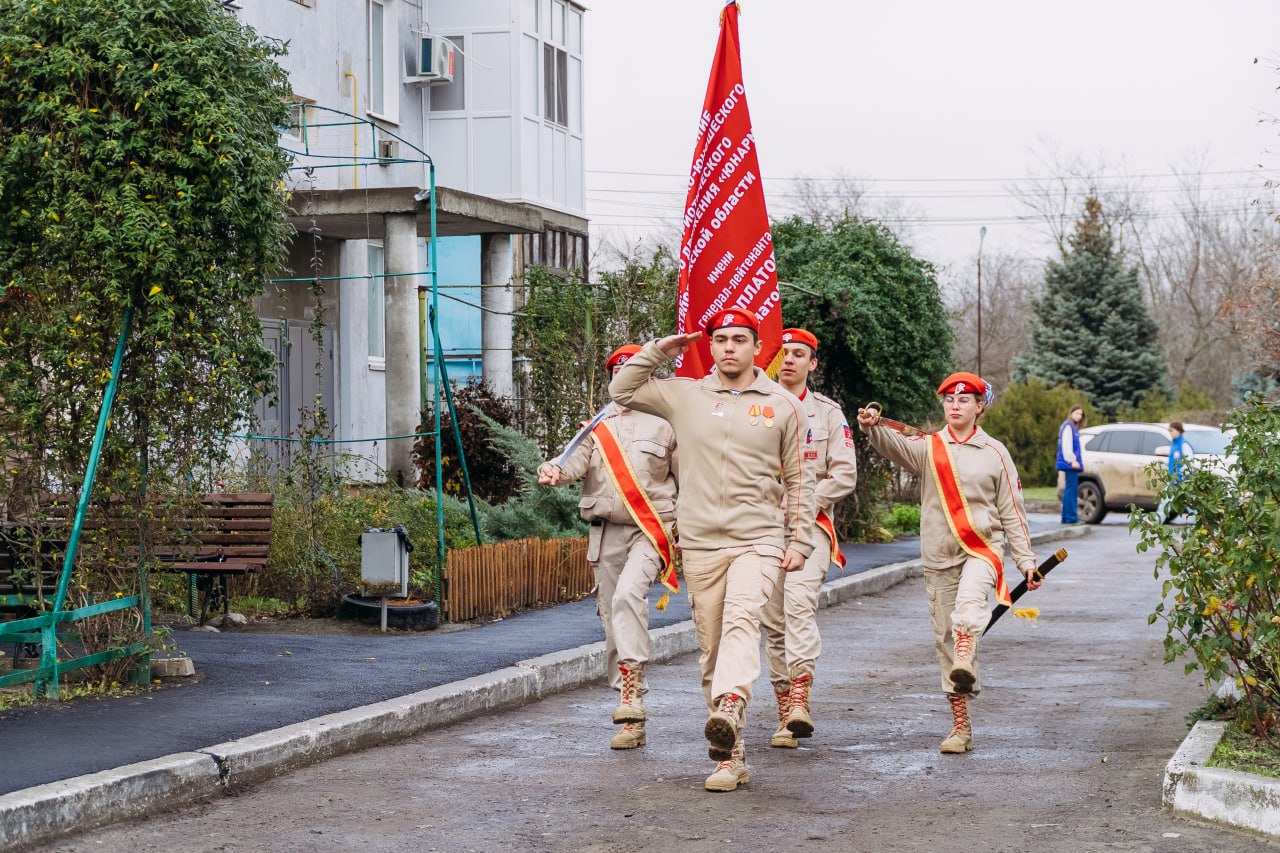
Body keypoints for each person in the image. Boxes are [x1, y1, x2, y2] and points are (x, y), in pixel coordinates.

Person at [609, 311, 815, 793]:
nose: (728, 348)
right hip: (701, 542)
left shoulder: (784, 405)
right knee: (713, 651)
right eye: (720, 339)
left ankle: (731, 701)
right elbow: (622, 390)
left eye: (739, 340)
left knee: (743, 619)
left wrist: (800, 539)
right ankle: (730, 757)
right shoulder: (685, 395)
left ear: (757, 347)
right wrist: (660, 350)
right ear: (711, 346)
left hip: (758, 538)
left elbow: (800, 480)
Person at [857, 372, 1040, 755]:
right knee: (945, 640)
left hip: (982, 549)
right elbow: (895, 447)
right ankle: (961, 725)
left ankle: (965, 653)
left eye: (964, 399)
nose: (955, 405)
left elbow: (1013, 510)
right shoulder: (930, 447)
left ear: (979, 406)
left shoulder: (995, 453)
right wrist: (872, 428)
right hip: (938, 555)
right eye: (949, 399)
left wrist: (1026, 561)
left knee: (968, 608)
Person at [538, 344, 678, 751]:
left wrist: (682, 529)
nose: (624, 377)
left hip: (650, 531)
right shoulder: (595, 427)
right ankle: (630, 712)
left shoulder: (668, 425)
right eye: (618, 371)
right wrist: (554, 469)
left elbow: (687, 480)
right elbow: (572, 461)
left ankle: (632, 689)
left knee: (629, 596)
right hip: (606, 534)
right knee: (613, 617)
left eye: (631, 371)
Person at [759, 328, 857, 750]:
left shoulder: (828, 413)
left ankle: (800, 697)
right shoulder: (757, 406)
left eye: (799, 354)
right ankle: (785, 711)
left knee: (798, 605)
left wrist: (802, 499)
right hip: (762, 527)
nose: (790, 360)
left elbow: (844, 474)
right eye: (783, 353)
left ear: (813, 364)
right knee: (773, 621)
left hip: (810, 526)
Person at [1057, 405, 1085, 524]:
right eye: (1077, 413)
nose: (1079, 416)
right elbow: (1066, 446)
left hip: (1070, 463)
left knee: (1070, 490)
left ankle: (1066, 517)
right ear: (1071, 413)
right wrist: (1072, 461)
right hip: (1070, 464)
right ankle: (1071, 517)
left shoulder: (1072, 427)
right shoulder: (1068, 426)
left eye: (1081, 414)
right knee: (1071, 491)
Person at [1161, 421, 1193, 523]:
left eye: (1172, 430)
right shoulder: (1173, 444)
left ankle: (1201, 524)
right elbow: (1173, 462)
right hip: (1174, 480)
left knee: (1191, 504)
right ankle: (1156, 521)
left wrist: (1180, 476)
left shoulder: (1184, 445)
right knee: (1165, 501)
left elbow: (1188, 463)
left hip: (1183, 481)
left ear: (1179, 431)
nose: (1170, 433)